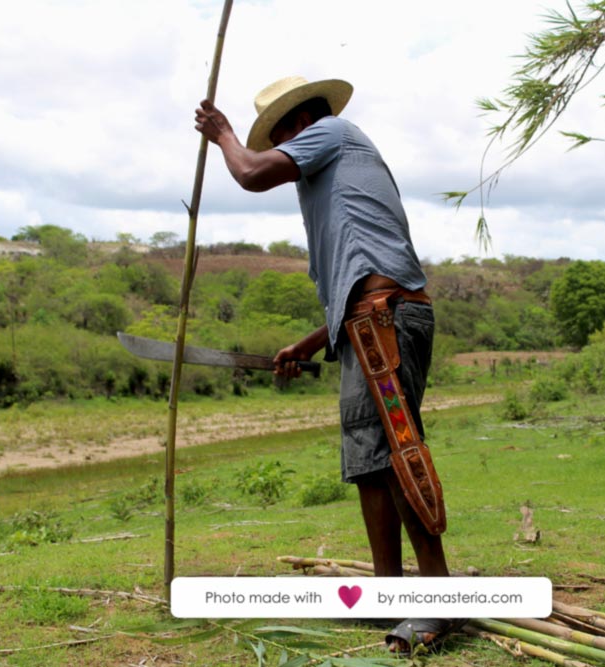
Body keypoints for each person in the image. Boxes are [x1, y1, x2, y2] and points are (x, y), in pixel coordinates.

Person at [194, 75, 464, 654]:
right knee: (369, 462)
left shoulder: (331, 133)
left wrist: (222, 135)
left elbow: (249, 174)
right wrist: (313, 341)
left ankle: (438, 602)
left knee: (397, 453)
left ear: (299, 124)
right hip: (362, 323)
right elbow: (352, 274)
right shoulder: (327, 180)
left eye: (281, 136)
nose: (280, 148)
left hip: (385, 319)